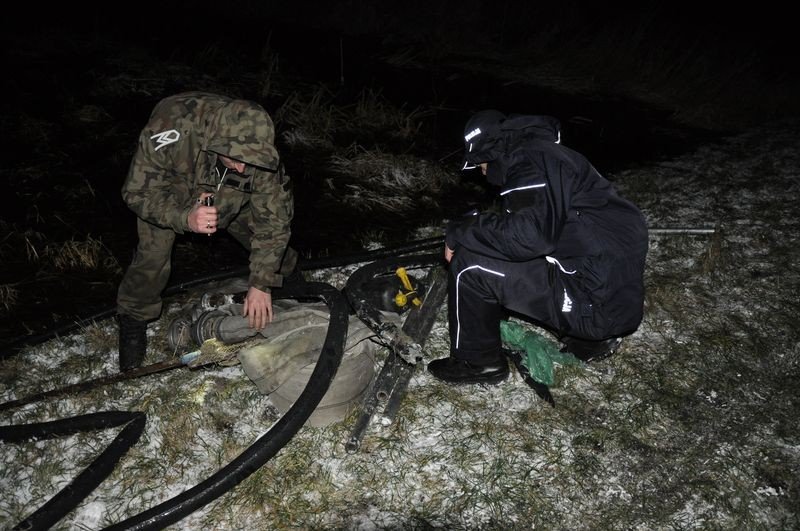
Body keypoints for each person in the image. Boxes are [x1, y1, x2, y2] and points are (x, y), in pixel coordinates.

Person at [428, 110, 648, 384]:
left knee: (469, 263)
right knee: (498, 241)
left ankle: (477, 363)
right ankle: (588, 339)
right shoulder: (553, 156)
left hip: (596, 310)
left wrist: (459, 231)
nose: (482, 174)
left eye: (480, 165)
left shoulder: (527, 162)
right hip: (618, 304)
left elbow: (528, 238)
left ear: (488, 153)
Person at [116, 91, 300, 371]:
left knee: (270, 244)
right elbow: (136, 192)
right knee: (152, 257)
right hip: (171, 189)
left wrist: (261, 283)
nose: (242, 166)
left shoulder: (258, 159)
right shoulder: (170, 128)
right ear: (217, 143)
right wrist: (184, 218)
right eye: (236, 157)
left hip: (226, 192)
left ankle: (293, 279)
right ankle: (133, 320)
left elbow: (273, 223)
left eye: (250, 159)